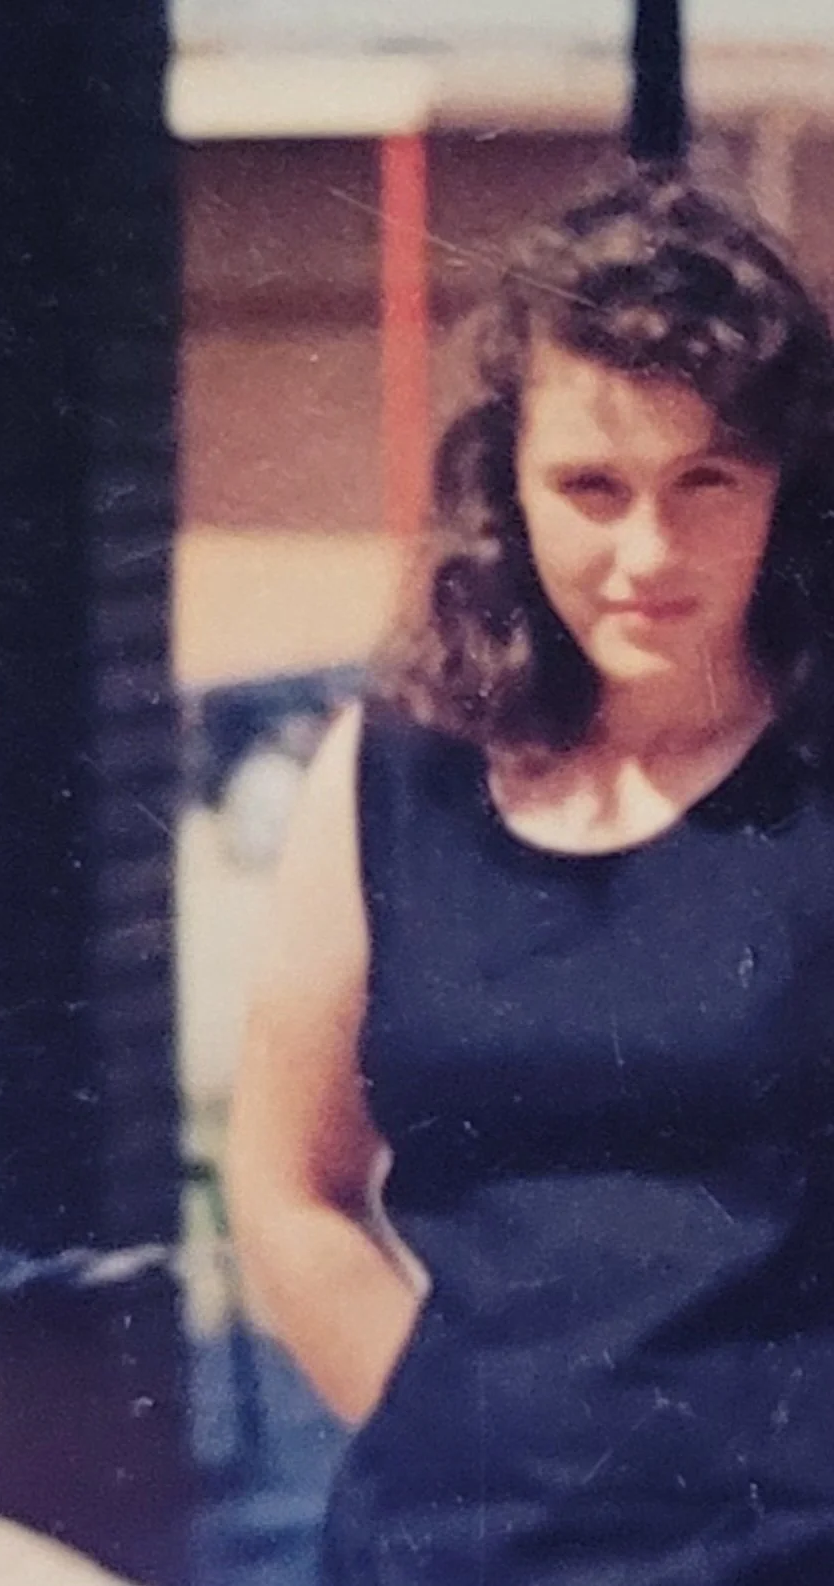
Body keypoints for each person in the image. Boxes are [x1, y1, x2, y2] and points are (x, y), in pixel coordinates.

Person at [224, 159, 834, 1585]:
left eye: (706, 483)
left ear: (785, 489)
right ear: (505, 480)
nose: (647, 552)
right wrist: (457, 1452)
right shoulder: (388, 779)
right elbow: (286, 1182)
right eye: (591, 485)